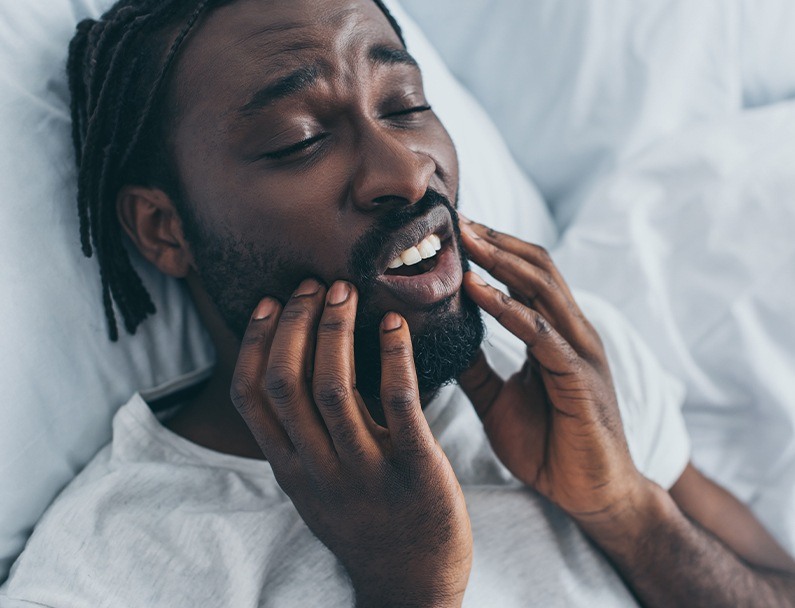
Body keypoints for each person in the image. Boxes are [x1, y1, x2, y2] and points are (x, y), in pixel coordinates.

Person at [2, 0, 794, 606]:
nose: (408, 172)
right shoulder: (107, 563)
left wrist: (628, 509)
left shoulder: (558, 369)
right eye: (299, 139)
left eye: (405, 104)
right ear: (164, 228)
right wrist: (404, 592)